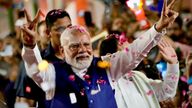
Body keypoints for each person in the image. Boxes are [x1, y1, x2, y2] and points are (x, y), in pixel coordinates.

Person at [20, 0, 179, 107]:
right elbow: (35, 71)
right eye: (75, 46)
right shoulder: (54, 74)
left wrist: (158, 27)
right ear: (63, 50)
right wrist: (29, 46)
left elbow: (135, 52)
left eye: (86, 44)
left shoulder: (107, 67)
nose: (82, 49)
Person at [14, 9, 72, 107]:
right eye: (61, 29)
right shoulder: (35, 61)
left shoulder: (80, 56)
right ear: (48, 32)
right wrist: (29, 45)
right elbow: (25, 101)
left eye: (70, 27)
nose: (67, 33)